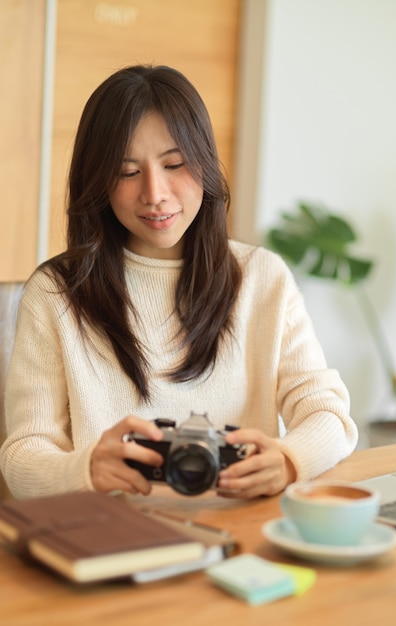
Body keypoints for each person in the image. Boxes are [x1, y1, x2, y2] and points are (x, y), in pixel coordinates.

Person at [0, 65, 358, 501]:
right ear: (98, 182)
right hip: (110, 542)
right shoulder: (56, 294)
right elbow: (21, 457)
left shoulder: (262, 279)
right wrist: (84, 468)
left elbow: (328, 412)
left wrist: (288, 459)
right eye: (128, 172)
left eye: (174, 164)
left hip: (241, 539)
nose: (155, 193)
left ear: (205, 163)